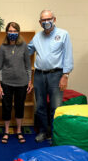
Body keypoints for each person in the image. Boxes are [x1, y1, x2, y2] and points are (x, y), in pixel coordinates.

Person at [28, 10, 74, 142]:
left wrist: (65, 75)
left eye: (49, 19)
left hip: (57, 75)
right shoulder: (37, 37)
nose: (46, 22)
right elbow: (27, 50)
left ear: (54, 19)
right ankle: (43, 132)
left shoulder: (63, 34)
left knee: (56, 107)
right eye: (43, 20)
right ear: (40, 22)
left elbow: (68, 55)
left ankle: (55, 135)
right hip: (39, 75)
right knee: (41, 106)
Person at [0, 22, 33, 144]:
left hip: (21, 83)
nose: (12, 33)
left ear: (18, 32)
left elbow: (28, 66)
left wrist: (29, 81)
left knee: (19, 107)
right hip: (6, 83)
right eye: (10, 31)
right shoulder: (2, 47)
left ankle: (19, 131)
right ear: (7, 32)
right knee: (6, 107)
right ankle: (6, 131)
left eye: (14, 31)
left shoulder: (24, 46)